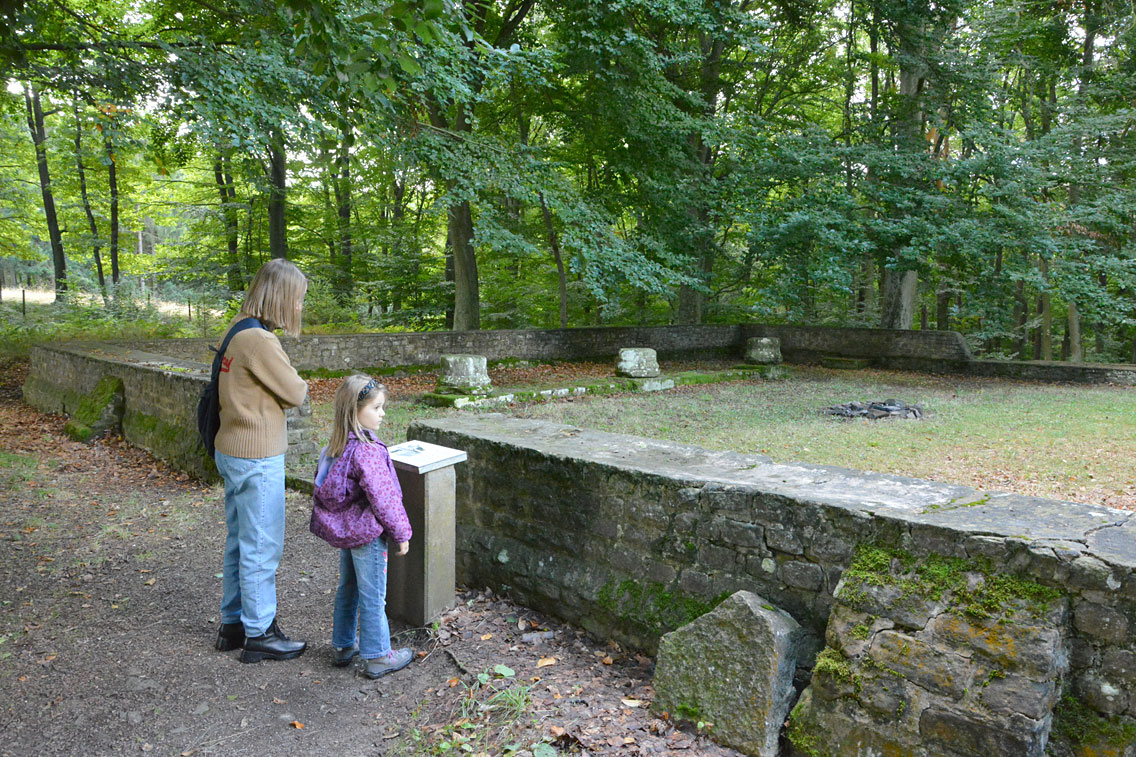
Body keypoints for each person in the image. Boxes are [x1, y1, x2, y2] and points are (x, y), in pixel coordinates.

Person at [213, 258, 310, 663]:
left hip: (233, 449)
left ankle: (233, 624)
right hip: (257, 456)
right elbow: (296, 392)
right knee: (261, 545)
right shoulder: (261, 341)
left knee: (240, 541)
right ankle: (260, 633)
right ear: (283, 297)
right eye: (299, 299)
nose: (301, 307)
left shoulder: (238, 328)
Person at [310, 375, 414, 678]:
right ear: (356, 411)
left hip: (348, 529)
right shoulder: (366, 449)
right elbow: (384, 498)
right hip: (367, 533)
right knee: (373, 594)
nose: (382, 414)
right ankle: (378, 655)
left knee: (350, 587)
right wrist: (401, 533)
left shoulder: (338, 443)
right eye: (377, 407)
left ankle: (343, 645)